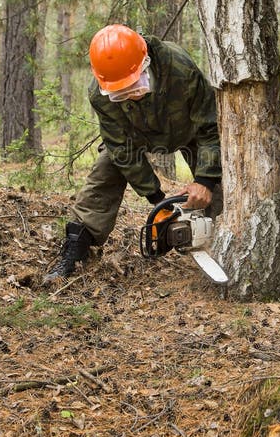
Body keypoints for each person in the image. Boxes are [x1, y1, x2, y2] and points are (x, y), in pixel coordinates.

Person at [44, 24, 222, 282]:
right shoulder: (100, 93)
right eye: (122, 93)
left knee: (219, 185)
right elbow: (121, 147)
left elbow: (210, 126)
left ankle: (225, 245)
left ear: (146, 61)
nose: (131, 95)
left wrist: (205, 180)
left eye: (135, 85)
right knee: (106, 170)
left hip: (190, 131)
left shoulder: (179, 67)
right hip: (137, 135)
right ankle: (77, 247)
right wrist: (157, 200)